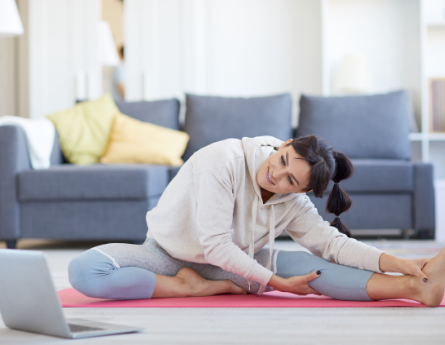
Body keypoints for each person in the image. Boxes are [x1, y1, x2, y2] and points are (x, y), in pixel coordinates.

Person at [68, 135, 445, 307]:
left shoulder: (293, 201)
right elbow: (215, 244)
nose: (276, 177)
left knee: (314, 272)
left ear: (299, 191)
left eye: (290, 182)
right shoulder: (224, 160)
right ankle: (191, 288)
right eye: (282, 162)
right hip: (167, 254)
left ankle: (416, 287)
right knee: (85, 271)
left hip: (238, 265)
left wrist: (397, 261)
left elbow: (333, 245)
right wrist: (277, 284)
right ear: (284, 145)